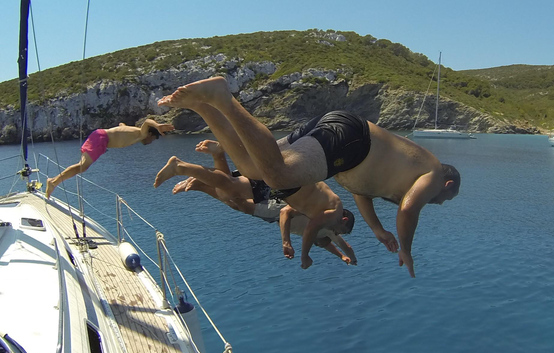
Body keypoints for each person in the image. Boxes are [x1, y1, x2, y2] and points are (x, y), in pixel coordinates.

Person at [157, 77, 461, 277]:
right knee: (279, 176)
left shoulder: (396, 174)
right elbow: (408, 210)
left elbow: (361, 190)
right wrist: (407, 248)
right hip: (353, 141)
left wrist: (378, 230)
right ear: (448, 186)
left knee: (253, 169)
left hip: (345, 139)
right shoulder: (433, 173)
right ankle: (224, 98)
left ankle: (204, 106)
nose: (441, 202)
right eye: (446, 199)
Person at [155, 140, 356, 268]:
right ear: (342, 220)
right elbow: (292, 215)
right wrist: (295, 249)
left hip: (287, 181)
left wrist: (345, 258)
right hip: (284, 191)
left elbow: (334, 245)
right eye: (341, 230)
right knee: (233, 197)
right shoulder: (329, 219)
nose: (338, 233)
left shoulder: (327, 222)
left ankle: (205, 171)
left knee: (233, 194)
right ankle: (189, 166)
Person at [45, 119, 174, 198]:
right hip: (101, 139)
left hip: (101, 140)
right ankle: (53, 182)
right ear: (150, 134)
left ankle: (54, 181)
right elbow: (147, 122)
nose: (151, 142)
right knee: (82, 166)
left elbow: (122, 127)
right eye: (153, 138)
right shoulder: (142, 133)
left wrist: (122, 127)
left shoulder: (135, 132)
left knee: (82, 167)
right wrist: (158, 125)